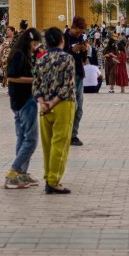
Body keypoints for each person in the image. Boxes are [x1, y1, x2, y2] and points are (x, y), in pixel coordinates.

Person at [33, 28, 77, 195]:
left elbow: (35, 84)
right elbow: (68, 84)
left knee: (47, 144)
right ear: (61, 40)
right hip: (63, 104)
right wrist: (54, 102)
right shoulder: (67, 58)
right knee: (60, 143)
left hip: (44, 106)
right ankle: (54, 181)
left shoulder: (41, 59)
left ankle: (48, 177)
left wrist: (42, 102)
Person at [4, 28, 41, 190]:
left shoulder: (21, 54)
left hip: (19, 100)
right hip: (24, 100)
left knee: (22, 137)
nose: (35, 47)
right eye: (34, 44)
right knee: (31, 140)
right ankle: (14, 172)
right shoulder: (19, 55)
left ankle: (21, 173)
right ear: (29, 41)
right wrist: (35, 80)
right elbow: (11, 77)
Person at [63, 16, 88, 146]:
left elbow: (83, 59)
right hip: (67, 76)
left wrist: (84, 51)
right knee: (71, 106)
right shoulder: (64, 38)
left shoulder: (80, 38)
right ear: (73, 27)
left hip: (78, 74)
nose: (80, 33)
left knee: (79, 108)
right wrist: (72, 50)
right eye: (79, 30)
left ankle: (73, 135)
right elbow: (60, 55)